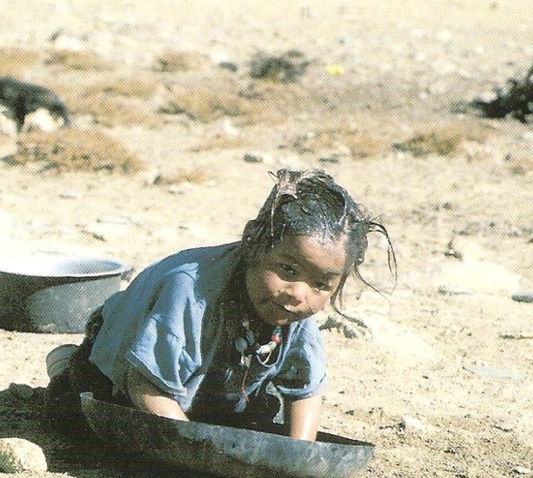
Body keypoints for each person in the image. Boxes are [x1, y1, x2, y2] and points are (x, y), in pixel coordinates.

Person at [45, 168, 395, 441]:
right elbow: (144, 386)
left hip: (211, 383)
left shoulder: (291, 304)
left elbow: (306, 387)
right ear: (252, 244)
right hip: (128, 376)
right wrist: (191, 452)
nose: (298, 294)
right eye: (287, 270)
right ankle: (66, 363)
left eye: (321, 284)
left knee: (262, 415)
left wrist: (299, 456)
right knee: (80, 415)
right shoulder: (190, 289)